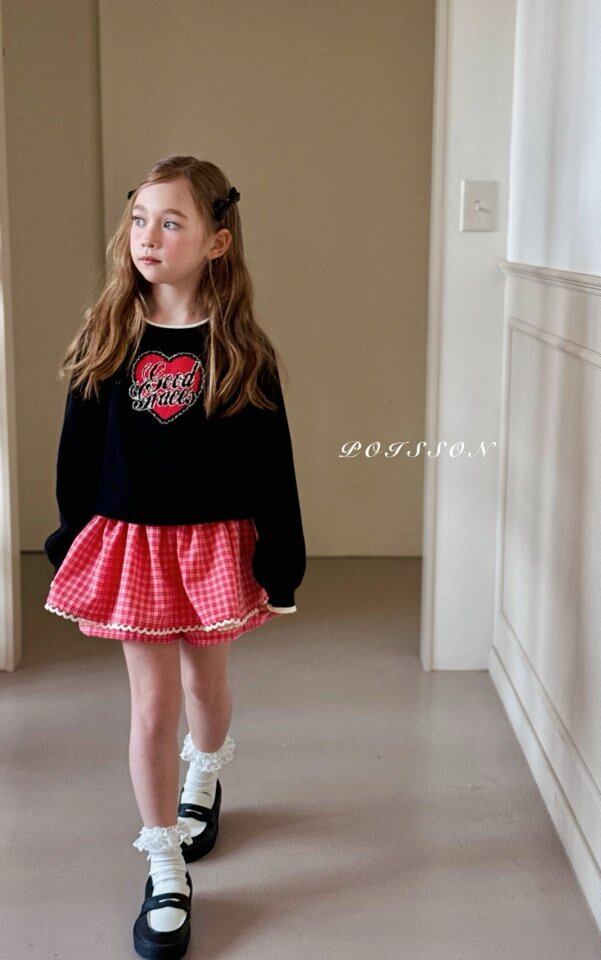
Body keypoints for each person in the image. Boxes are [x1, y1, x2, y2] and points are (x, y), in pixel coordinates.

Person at [42, 155, 306, 960]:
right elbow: (77, 455)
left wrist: (282, 556)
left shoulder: (241, 348)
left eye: (171, 222)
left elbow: (273, 465)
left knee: (205, 687)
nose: (147, 237)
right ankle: (164, 863)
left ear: (217, 241)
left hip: (212, 545)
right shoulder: (110, 336)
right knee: (153, 707)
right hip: (134, 547)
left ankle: (205, 775)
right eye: (139, 220)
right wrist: (71, 537)